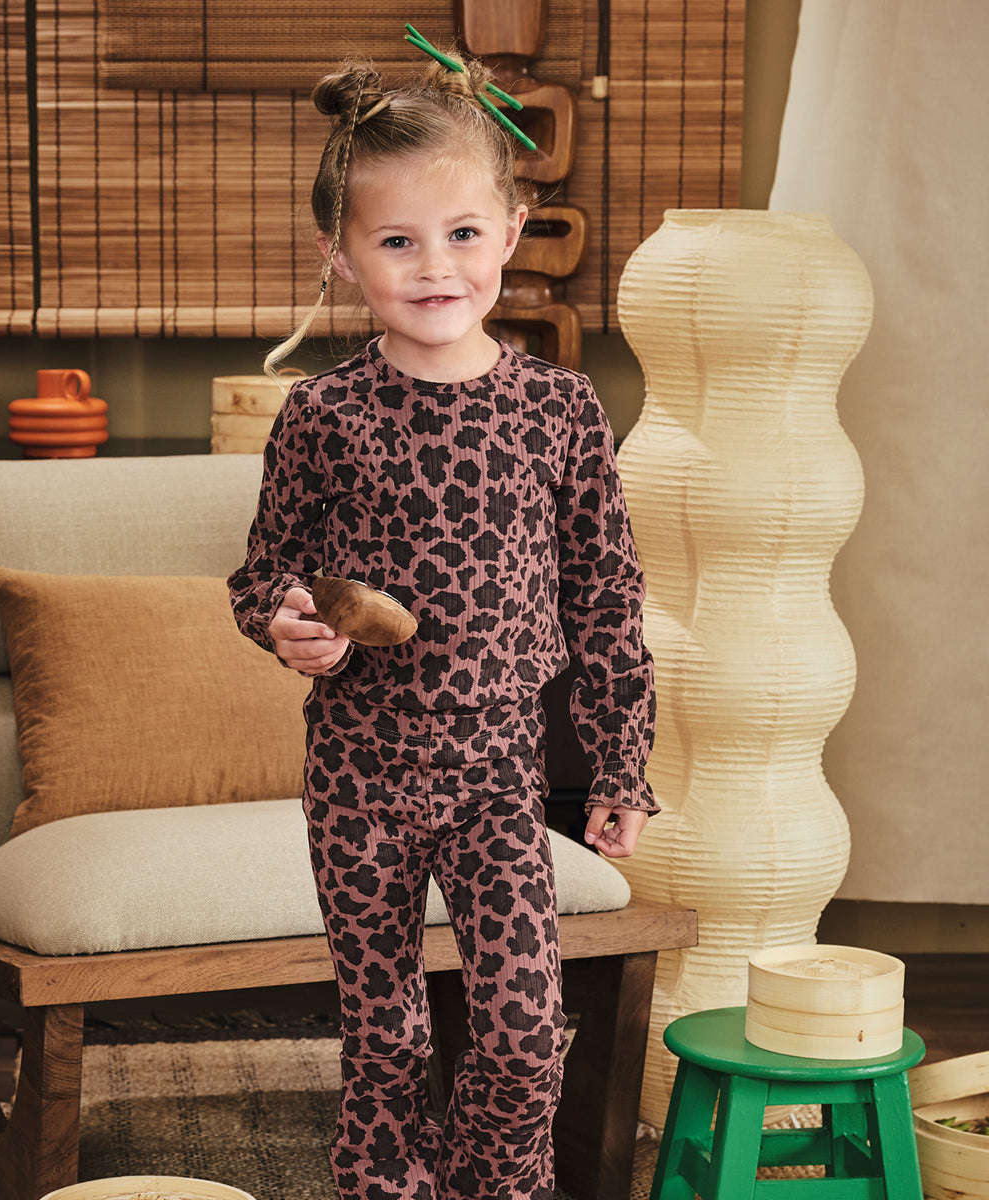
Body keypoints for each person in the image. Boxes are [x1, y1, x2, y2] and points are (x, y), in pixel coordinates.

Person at [227, 34, 657, 1200]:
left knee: (521, 1040)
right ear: (341, 253)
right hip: (357, 775)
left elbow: (607, 598)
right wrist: (288, 624)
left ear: (511, 233)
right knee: (389, 1046)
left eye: (464, 233)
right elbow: (264, 577)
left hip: (497, 777)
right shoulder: (320, 416)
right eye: (398, 241)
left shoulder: (560, 410)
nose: (436, 267)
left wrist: (619, 763)